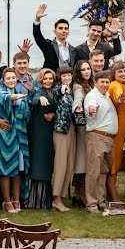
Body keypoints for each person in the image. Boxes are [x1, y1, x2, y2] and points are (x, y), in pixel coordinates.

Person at [0, 67, 30, 213]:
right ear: (3, 80)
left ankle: (16, 199)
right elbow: (3, 99)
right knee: (6, 169)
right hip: (6, 136)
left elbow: (27, 112)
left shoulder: (19, 91)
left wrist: (25, 110)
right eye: (8, 78)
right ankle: (6, 202)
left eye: (13, 77)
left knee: (18, 169)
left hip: (20, 136)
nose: (11, 80)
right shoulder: (0, 92)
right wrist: (16, 98)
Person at [84, 69, 118, 213]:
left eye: (107, 82)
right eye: (102, 82)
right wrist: (92, 109)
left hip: (109, 139)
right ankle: (91, 203)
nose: (105, 84)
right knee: (93, 172)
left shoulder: (106, 95)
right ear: (95, 83)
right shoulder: (92, 96)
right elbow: (91, 106)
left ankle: (100, 200)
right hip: (96, 137)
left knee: (103, 171)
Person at [26, 68, 57, 210]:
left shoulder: (54, 91)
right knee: (40, 164)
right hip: (40, 135)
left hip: (50, 134)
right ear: (41, 80)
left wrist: (54, 115)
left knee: (48, 164)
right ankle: (37, 201)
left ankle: (47, 200)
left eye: (50, 78)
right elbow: (34, 99)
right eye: (45, 79)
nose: (48, 81)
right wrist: (40, 98)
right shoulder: (40, 92)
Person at [106, 61, 125, 202]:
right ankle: (114, 197)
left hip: (124, 129)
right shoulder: (115, 85)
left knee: (116, 163)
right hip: (117, 128)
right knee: (113, 164)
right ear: (114, 74)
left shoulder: (124, 86)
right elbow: (117, 97)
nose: (123, 74)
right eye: (120, 72)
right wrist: (119, 99)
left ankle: (112, 194)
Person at [51, 65, 75, 212]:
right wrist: (62, 89)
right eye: (64, 76)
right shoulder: (59, 89)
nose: (67, 78)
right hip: (60, 130)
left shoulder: (73, 90)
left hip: (71, 128)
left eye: (69, 75)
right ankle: (56, 198)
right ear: (60, 78)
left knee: (70, 164)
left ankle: (62, 195)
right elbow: (56, 93)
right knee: (60, 164)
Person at [71, 59, 93, 208]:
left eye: (88, 69)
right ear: (78, 73)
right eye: (83, 69)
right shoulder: (78, 86)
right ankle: (81, 194)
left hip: (90, 126)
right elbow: (78, 100)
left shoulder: (91, 84)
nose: (86, 71)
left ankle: (79, 195)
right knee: (82, 161)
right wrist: (77, 108)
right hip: (81, 128)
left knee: (85, 161)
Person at [33, 4, 78, 70]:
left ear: (68, 32)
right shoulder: (48, 45)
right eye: (60, 28)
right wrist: (37, 19)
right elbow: (37, 36)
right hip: (51, 79)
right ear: (55, 31)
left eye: (66, 28)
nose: (63, 30)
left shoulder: (73, 50)